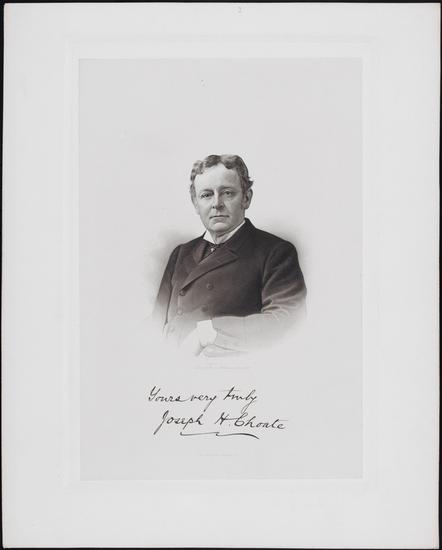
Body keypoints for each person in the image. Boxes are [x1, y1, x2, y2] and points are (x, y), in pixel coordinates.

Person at [153, 154, 306, 356]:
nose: (217, 203)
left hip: (225, 367)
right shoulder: (181, 253)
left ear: (246, 198)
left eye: (227, 193)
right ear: (195, 203)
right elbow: (156, 322)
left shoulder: (275, 252)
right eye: (206, 195)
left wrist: (206, 333)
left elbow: (286, 320)